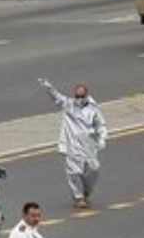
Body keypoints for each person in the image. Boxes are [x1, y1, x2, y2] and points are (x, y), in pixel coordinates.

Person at [38, 78, 108, 209]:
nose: (79, 98)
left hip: (89, 144)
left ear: (87, 95)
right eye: (77, 96)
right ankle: (78, 197)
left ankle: (86, 192)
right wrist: (49, 87)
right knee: (74, 172)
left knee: (94, 169)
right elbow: (56, 97)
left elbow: (101, 124)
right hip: (72, 144)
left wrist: (102, 138)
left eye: (82, 96)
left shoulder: (93, 108)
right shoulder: (68, 105)